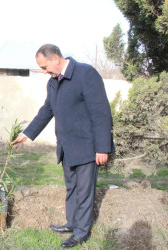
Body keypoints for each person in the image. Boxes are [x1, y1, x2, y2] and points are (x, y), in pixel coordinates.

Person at [12, 44, 114, 248]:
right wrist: (27, 133)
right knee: (71, 187)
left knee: (85, 190)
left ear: (56, 59)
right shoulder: (53, 82)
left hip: (87, 145)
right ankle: (72, 223)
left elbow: (101, 112)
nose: (44, 72)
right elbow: (46, 110)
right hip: (67, 146)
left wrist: (102, 147)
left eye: (44, 67)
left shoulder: (86, 74)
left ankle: (81, 233)